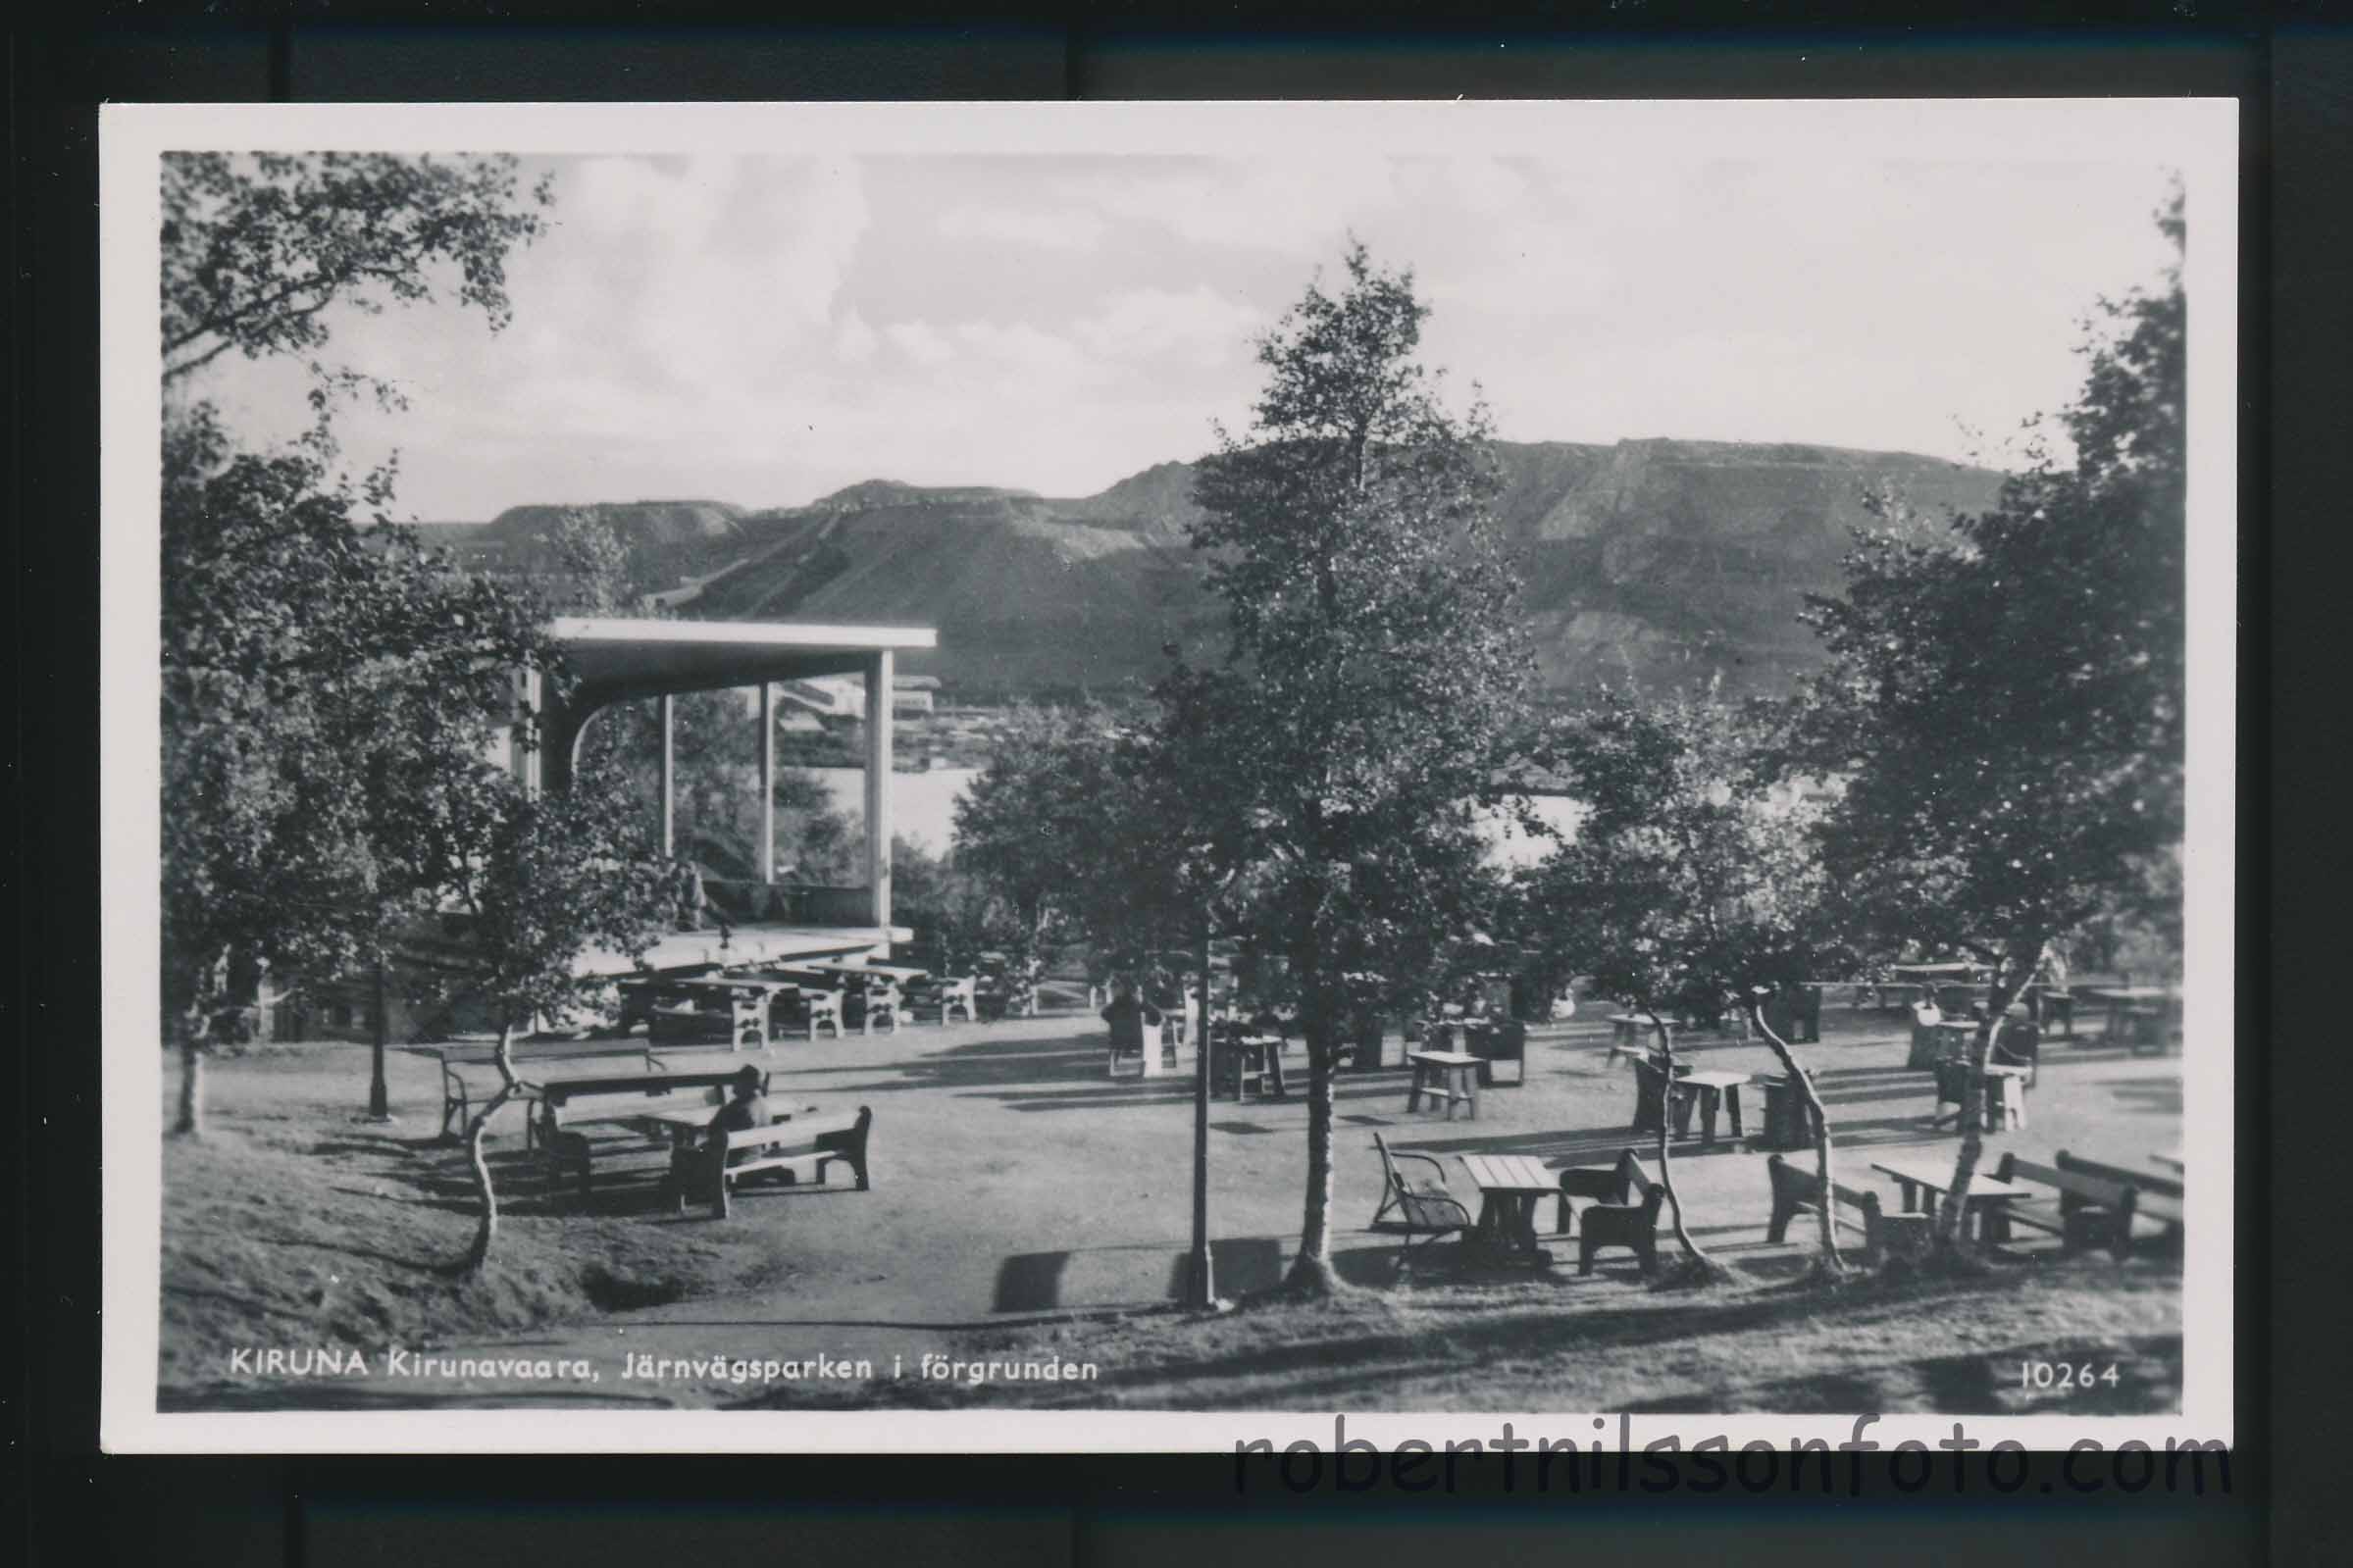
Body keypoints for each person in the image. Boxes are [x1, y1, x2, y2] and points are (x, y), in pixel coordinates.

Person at [1100, 979, 1163, 1067]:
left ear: (1122, 989)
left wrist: (1115, 1022)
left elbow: (1104, 1014)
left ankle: (1114, 1064)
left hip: (1117, 1040)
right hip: (1139, 1041)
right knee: (1152, 1032)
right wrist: (1148, 1022)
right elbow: (1159, 1017)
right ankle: (1149, 1064)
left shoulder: (1115, 1004)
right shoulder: (1140, 1003)